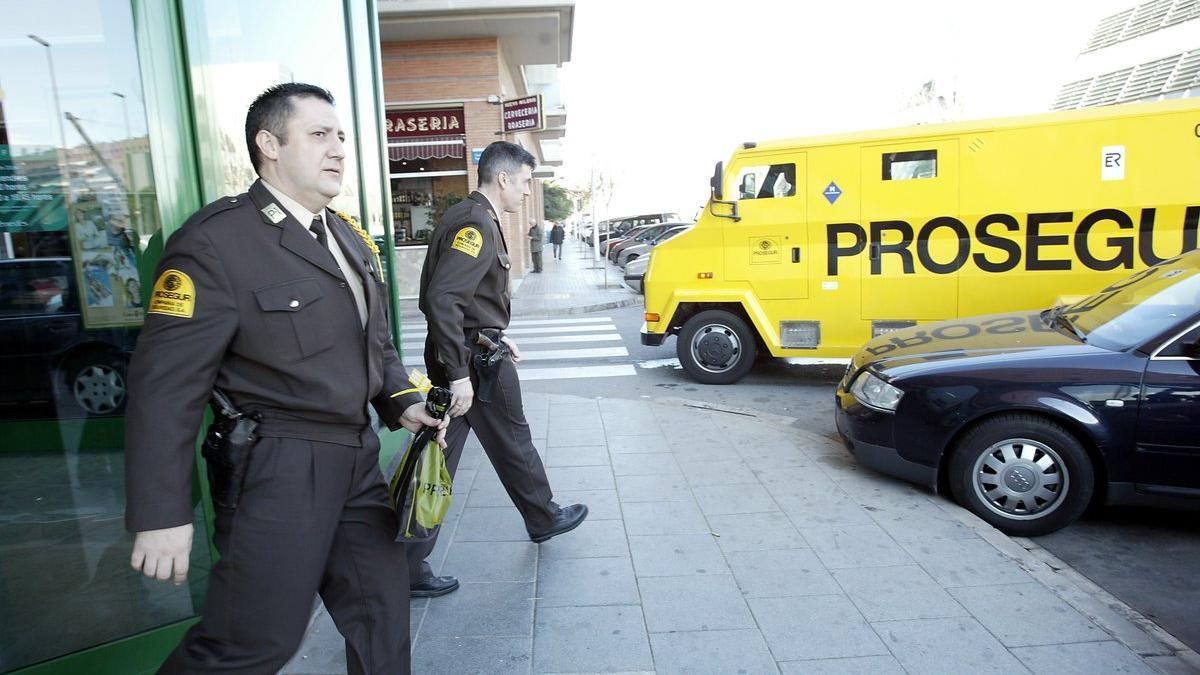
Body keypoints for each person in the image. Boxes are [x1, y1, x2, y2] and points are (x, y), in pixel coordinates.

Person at [124, 82, 446, 675]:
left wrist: (401, 401)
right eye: (319, 135)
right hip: (279, 469)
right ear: (269, 144)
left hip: (355, 459)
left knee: (382, 615)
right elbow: (164, 388)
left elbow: (372, 341)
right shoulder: (215, 243)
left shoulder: (346, 235)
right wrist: (160, 513)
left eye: (341, 136)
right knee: (252, 643)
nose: (338, 149)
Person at [413, 141, 587, 597]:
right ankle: (542, 516)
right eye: (526, 182)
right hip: (472, 362)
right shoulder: (476, 223)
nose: (528, 193)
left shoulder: (467, 215)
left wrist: (490, 330)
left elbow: (458, 300)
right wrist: (459, 373)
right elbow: (442, 299)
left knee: (440, 457)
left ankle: (407, 559)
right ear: (504, 178)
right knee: (510, 439)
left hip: (470, 350)